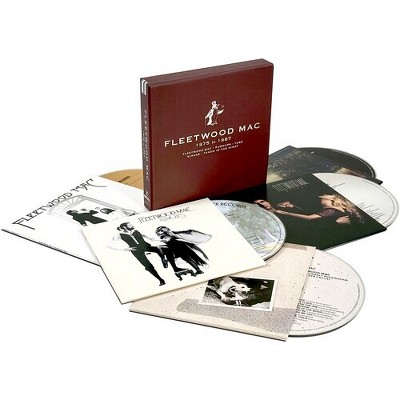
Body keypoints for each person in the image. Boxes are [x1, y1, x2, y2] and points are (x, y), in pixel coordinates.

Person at [255, 194, 363, 224]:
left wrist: (286, 212)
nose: (321, 197)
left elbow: (309, 217)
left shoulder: (332, 211)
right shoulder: (336, 210)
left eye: (261, 201)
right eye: (258, 204)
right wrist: (293, 206)